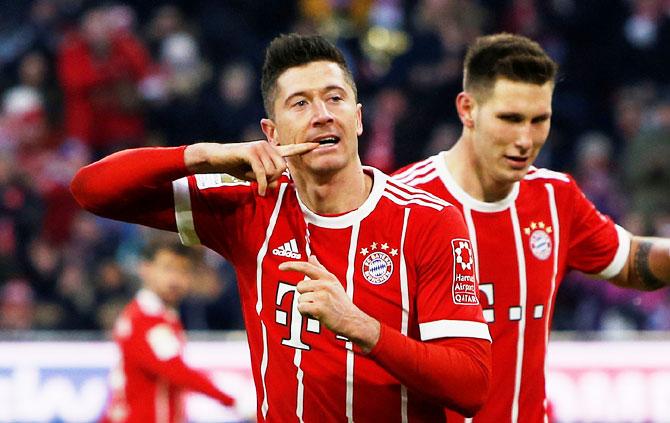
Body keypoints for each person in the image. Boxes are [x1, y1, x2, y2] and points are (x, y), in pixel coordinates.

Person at [72, 33, 492, 422]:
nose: (323, 115)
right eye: (300, 103)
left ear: (359, 118)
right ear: (271, 134)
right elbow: (91, 190)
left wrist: (362, 328)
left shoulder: (429, 221)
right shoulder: (250, 207)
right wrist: (203, 155)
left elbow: (471, 385)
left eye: (335, 98)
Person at [393, 33, 670, 422]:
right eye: (510, 119)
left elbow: (632, 261)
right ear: (467, 109)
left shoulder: (556, 198)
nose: (526, 139)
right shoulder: (400, 203)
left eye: (539, 120)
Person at [100, 238, 235, 423]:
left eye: (183, 271)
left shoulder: (162, 316)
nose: (175, 279)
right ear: (145, 269)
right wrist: (232, 401)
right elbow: (176, 371)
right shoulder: (144, 319)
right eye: (168, 268)